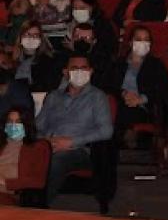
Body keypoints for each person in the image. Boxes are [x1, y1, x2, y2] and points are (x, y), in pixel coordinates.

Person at [35, 52, 113, 204]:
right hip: (49, 144)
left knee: (56, 160)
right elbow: (38, 125)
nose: (79, 72)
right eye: (74, 68)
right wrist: (47, 141)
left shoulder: (97, 97)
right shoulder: (53, 96)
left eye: (83, 68)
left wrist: (71, 142)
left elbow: (106, 131)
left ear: (90, 71)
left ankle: (39, 206)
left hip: (79, 150)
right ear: (66, 72)